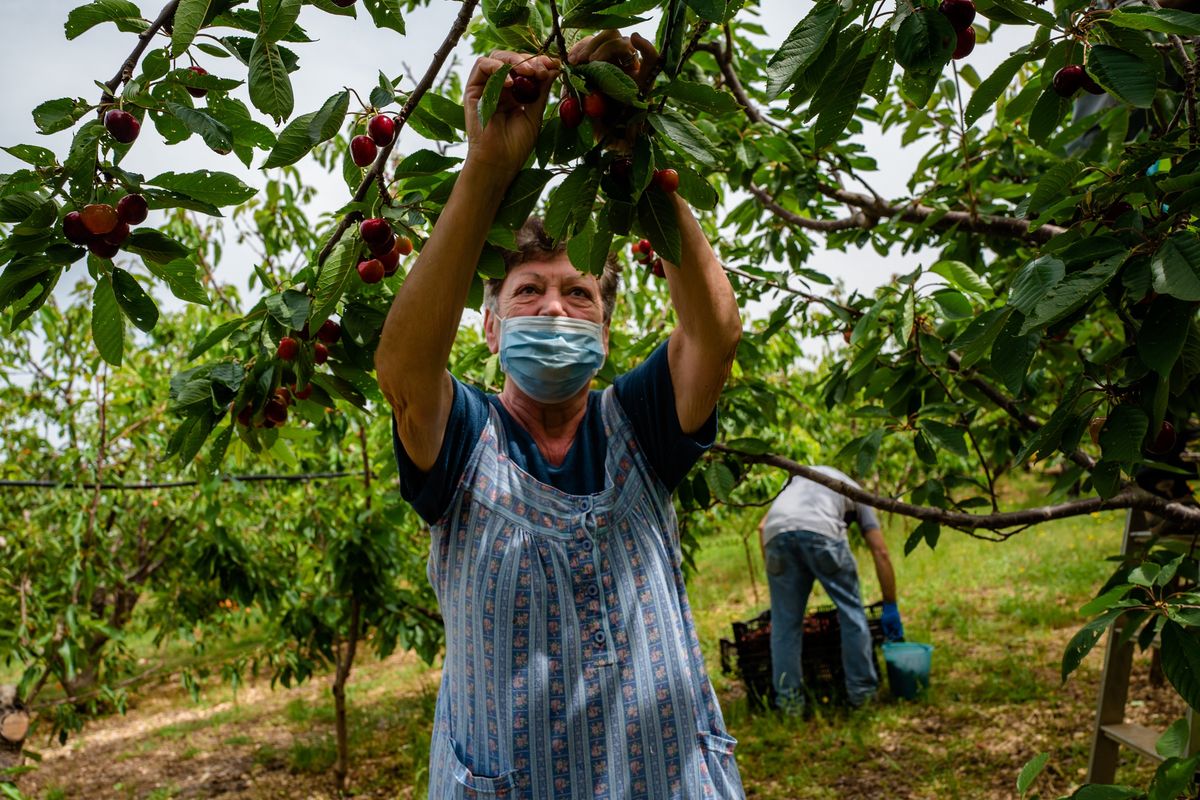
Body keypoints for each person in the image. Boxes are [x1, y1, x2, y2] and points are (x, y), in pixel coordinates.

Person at [374, 37, 745, 800]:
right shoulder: (464, 440)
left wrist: (633, 152)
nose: (554, 307)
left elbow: (714, 332)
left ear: (606, 331)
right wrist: (488, 168)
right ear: (489, 328)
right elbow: (405, 375)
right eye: (528, 292)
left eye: (579, 295)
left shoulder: (639, 422)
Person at [758, 467, 903, 713]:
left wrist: (778, 575)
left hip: (775, 536)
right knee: (851, 613)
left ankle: (789, 704)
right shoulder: (855, 491)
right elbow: (881, 551)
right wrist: (890, 604)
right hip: (822, 533)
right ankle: (862, 695)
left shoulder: (798, 480)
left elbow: (762, 528)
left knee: (784, 626)